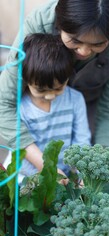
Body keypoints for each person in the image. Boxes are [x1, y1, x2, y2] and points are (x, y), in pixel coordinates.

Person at [0, 0, 109, 165]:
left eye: (98, 44)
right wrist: (46, 167)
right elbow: (4, 102)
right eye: (75, 40)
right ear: (59, 23)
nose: (84, 51)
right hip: (35, 120)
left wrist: (95, 169)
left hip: (87, 112)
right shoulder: (38, 23)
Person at [3, 33, 91, 182]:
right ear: (26, 80)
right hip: (23, 179)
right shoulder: (19, 107)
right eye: (40, 90)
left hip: (61, 177)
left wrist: (84, 175)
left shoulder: (75, 100)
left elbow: (82, 142)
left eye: (58, 88)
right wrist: (49, 177)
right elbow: (21, 155)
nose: (50, 96)